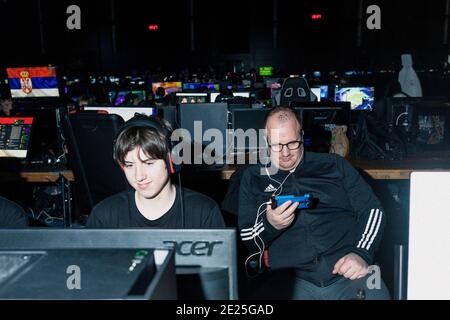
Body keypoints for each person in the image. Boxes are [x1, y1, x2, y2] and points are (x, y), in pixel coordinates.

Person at [238, 106, 390, 300]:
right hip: (290, 280)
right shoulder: (253, 178)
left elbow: (373, 210)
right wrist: (270, 225)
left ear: (301, 136)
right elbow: (247, 238)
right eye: (276, 145)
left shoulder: (335, 165)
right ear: (266, 141)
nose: (285, 153)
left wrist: (361, 253)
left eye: (292, 143)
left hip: (350, 271)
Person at [86, 114, 225, 228]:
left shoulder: (204, 212)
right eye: (129, 165)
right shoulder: (104, 216)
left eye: (149, 163)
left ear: (171, 161)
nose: (139, 176)